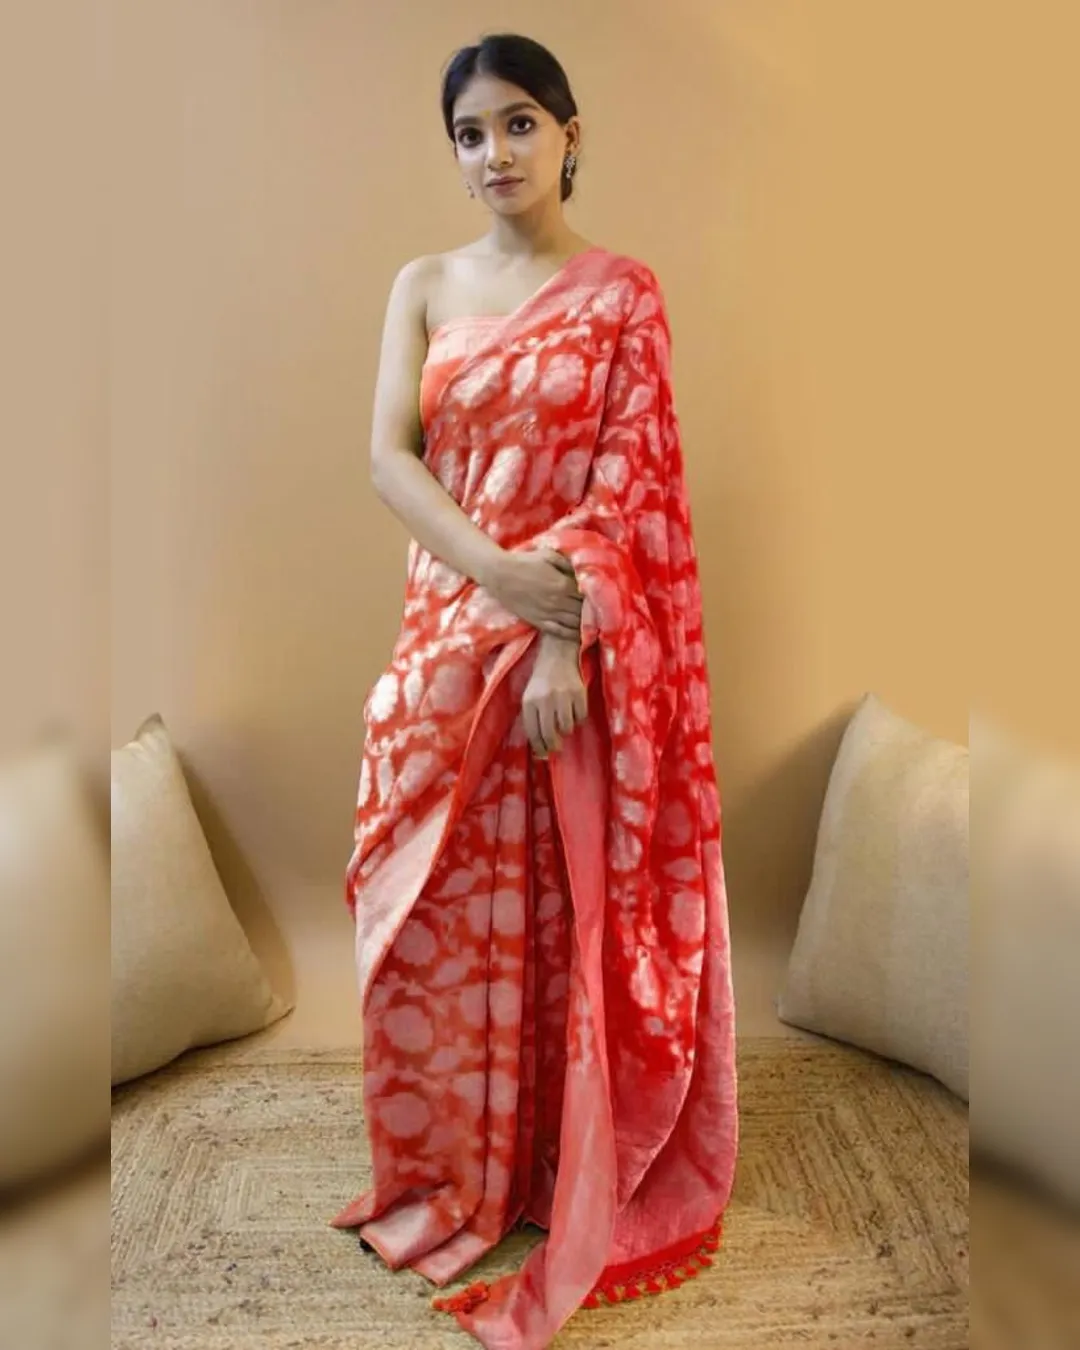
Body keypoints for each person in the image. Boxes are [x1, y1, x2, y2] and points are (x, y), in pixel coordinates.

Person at [331, 32, 738, 1350]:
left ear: (570, 134)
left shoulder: (624, 296)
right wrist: (501, 577)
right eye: (470, 133)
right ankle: (454, 1165)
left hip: (570, 654)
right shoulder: (423, 285)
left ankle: (551, 1162)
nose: (494, 152)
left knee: (556, 920)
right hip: (448, 633)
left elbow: (629, 490)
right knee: (418, 902)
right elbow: (391, 459)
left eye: (518, 123)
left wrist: (561, 638)